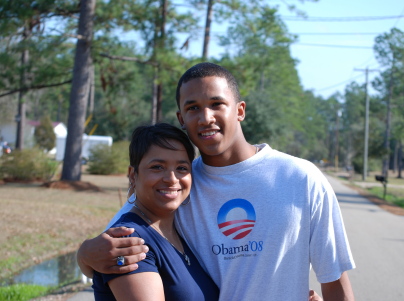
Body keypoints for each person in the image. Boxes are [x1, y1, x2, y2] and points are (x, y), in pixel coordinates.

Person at [78, 62, 355, 300]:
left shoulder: (301, 179)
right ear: (181, 119)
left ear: (240, 110)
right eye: (193, 108)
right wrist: (84, 254)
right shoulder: (178, 187)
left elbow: (334, 278)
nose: (206, 118)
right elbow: (119, 238)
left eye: (216, 104)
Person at [89, 123, 219, 300]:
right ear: (133, 175)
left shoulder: (180, 233)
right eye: (157, 167)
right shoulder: (129, 242)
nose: (171, 179)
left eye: (182, 168)